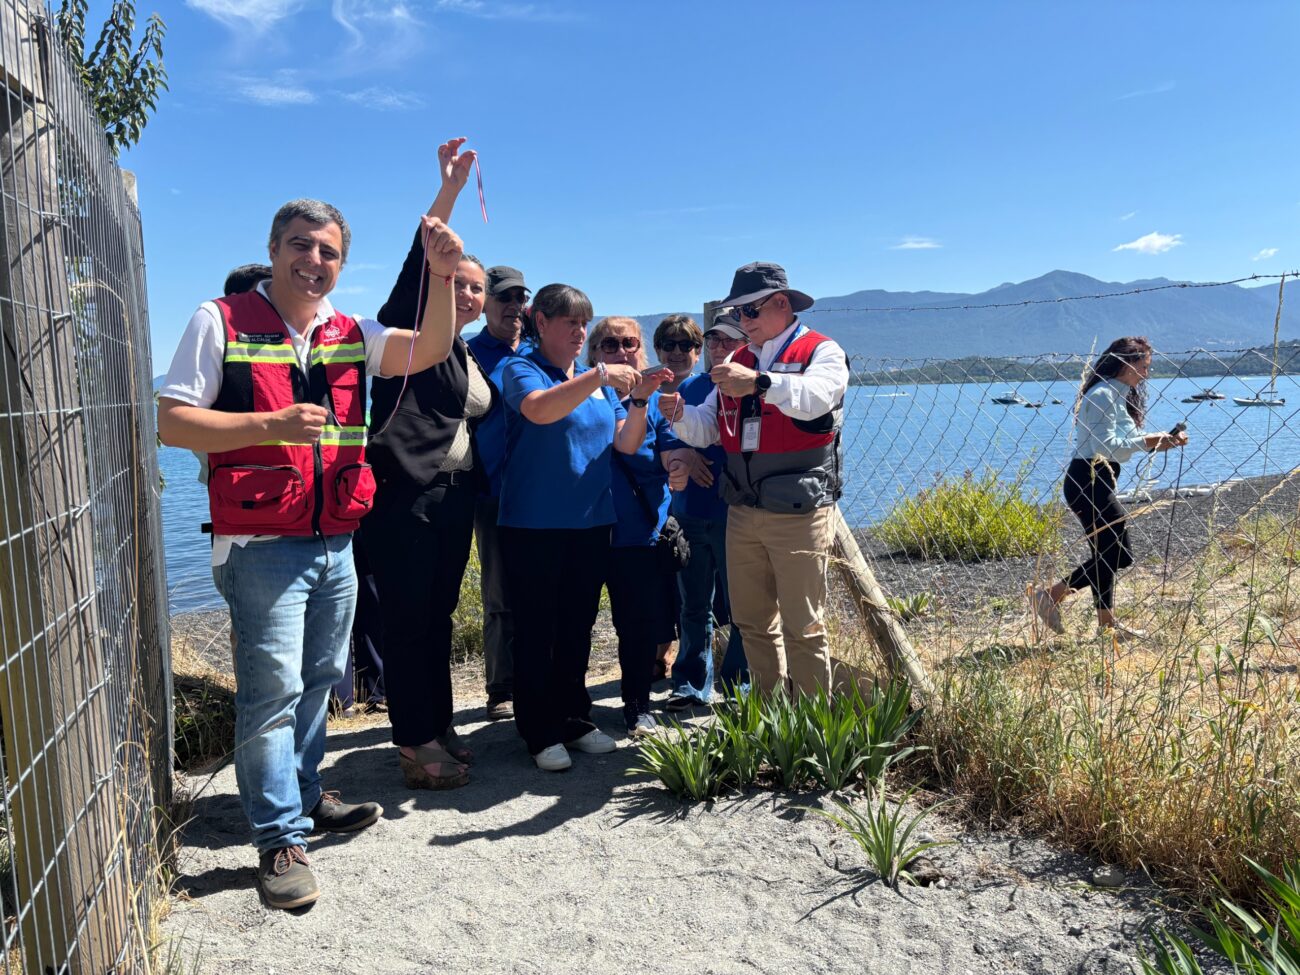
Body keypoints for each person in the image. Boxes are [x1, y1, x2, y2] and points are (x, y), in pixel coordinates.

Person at [157, 199, 464, 910]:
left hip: (337, 540)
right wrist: (270, 423)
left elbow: (429, 348)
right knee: (271, 694)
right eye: (301, 245)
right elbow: (173, 422)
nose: (314, 261)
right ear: (274, 249)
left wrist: (443, 275)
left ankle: (302, 793)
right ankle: (278, 840)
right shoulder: (219, 320)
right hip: (260, 545)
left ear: (341, 264)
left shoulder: (350, 330)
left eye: (328, 252)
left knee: (322, 676)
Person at [364, 138, 494, 790]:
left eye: (476, 287)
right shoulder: (410, 337)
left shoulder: (464, 353)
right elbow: (420, 264)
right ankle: (415, 745)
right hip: (406, 495)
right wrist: (448, 192)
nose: (466, 293)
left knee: (436, 619)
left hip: (453, 497)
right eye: (457, 282)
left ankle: (437, 726)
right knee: (409, 621)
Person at [497, 284, 667, 771]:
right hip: (533, 524)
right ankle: (538, 729)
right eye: (569, 322)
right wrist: (599, 375)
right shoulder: (522, 368)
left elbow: (626, 443)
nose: (578, 331)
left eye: (582, 323)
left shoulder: (596, 383)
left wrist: (639, 401)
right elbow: (539, 409)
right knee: (537, 629)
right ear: (541, 322)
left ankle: (572, 717)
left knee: (576, 626)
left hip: (592, 523)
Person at [661, 262, 848, 697]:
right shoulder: (738, 361)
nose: (742, 321)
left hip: (799, 512)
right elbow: (708, 427)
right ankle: (768, 713)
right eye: (737, 313)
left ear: (781, 303)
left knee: (804, 625)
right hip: (742, 511)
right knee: (751, 622)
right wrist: (679, 415)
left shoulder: (822, 351)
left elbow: (817, 397)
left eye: (749, 311)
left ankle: (811, 719)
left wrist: (761, 383)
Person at [1032, 336, 1188, 640]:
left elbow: (1127, 442)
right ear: (1126, 364)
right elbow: (1108, 446)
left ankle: (1107, 626)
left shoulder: (1116, 394)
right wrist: (1152, 440)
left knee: (1105, 554)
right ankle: (1050, 596)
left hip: (1095, 480)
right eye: (1144, 366)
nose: (1147, 374)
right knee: (1119, 555)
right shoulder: (1103, 395)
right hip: (1088, 481)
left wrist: (1164, 441)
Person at [589, 317, 676, 737]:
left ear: (641, 352)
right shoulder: (585, 395)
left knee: (638, 627)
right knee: (574, 623)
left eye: (629, 343)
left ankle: (638, 706)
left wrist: (682, 463)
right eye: (610, 344)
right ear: (594, 354)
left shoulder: (658, 404)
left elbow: (670, 451)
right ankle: (571, 709)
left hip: (639, 533)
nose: (621, 351)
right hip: (585, 529)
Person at [661, 310, 749, 708]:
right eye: (713, 339)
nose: (719, 347)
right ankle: (691, 684)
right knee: (693, 605)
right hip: (689, 512)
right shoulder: (691, 387)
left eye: (728, 340)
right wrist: (686, 454)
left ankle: (739, 687)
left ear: (745, 345)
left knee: (742, 606)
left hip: (734, 513)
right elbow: (668, 438)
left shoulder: (751, 386)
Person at [467, 264, 530, 721]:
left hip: (542, 490)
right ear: (485, 304)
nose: (513, 306)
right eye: (504, 297)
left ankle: (541, 679)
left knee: (545, 589)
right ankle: (502, 687)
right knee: (500, 594)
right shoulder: (467, 354)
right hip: (491, 490)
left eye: (519, 298)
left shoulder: (539, 352)